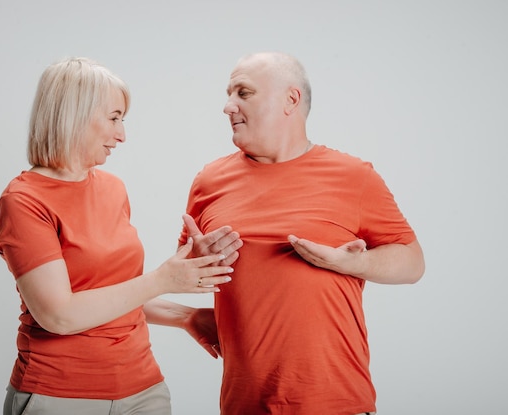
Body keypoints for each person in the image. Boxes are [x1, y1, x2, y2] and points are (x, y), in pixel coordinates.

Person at [178, 52, 425, 415]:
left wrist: (353, 263)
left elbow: (412, 262)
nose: (228, 107)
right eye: (228, 94)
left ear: (290, 100)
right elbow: (181, 271)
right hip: (242, 405)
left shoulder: (354, 176)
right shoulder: (209, 181)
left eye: (243, 93)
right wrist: (197, 265)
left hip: (336, 403)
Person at [0, 57, 241, 415]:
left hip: (143, 390)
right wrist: (163, 279)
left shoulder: (112, 188)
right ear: (73, 115)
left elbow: (109, 295)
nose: (122, 134)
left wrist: (185, 315)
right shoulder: (24, 201)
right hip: (61, 396)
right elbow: (59, 314)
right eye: (113, 118)